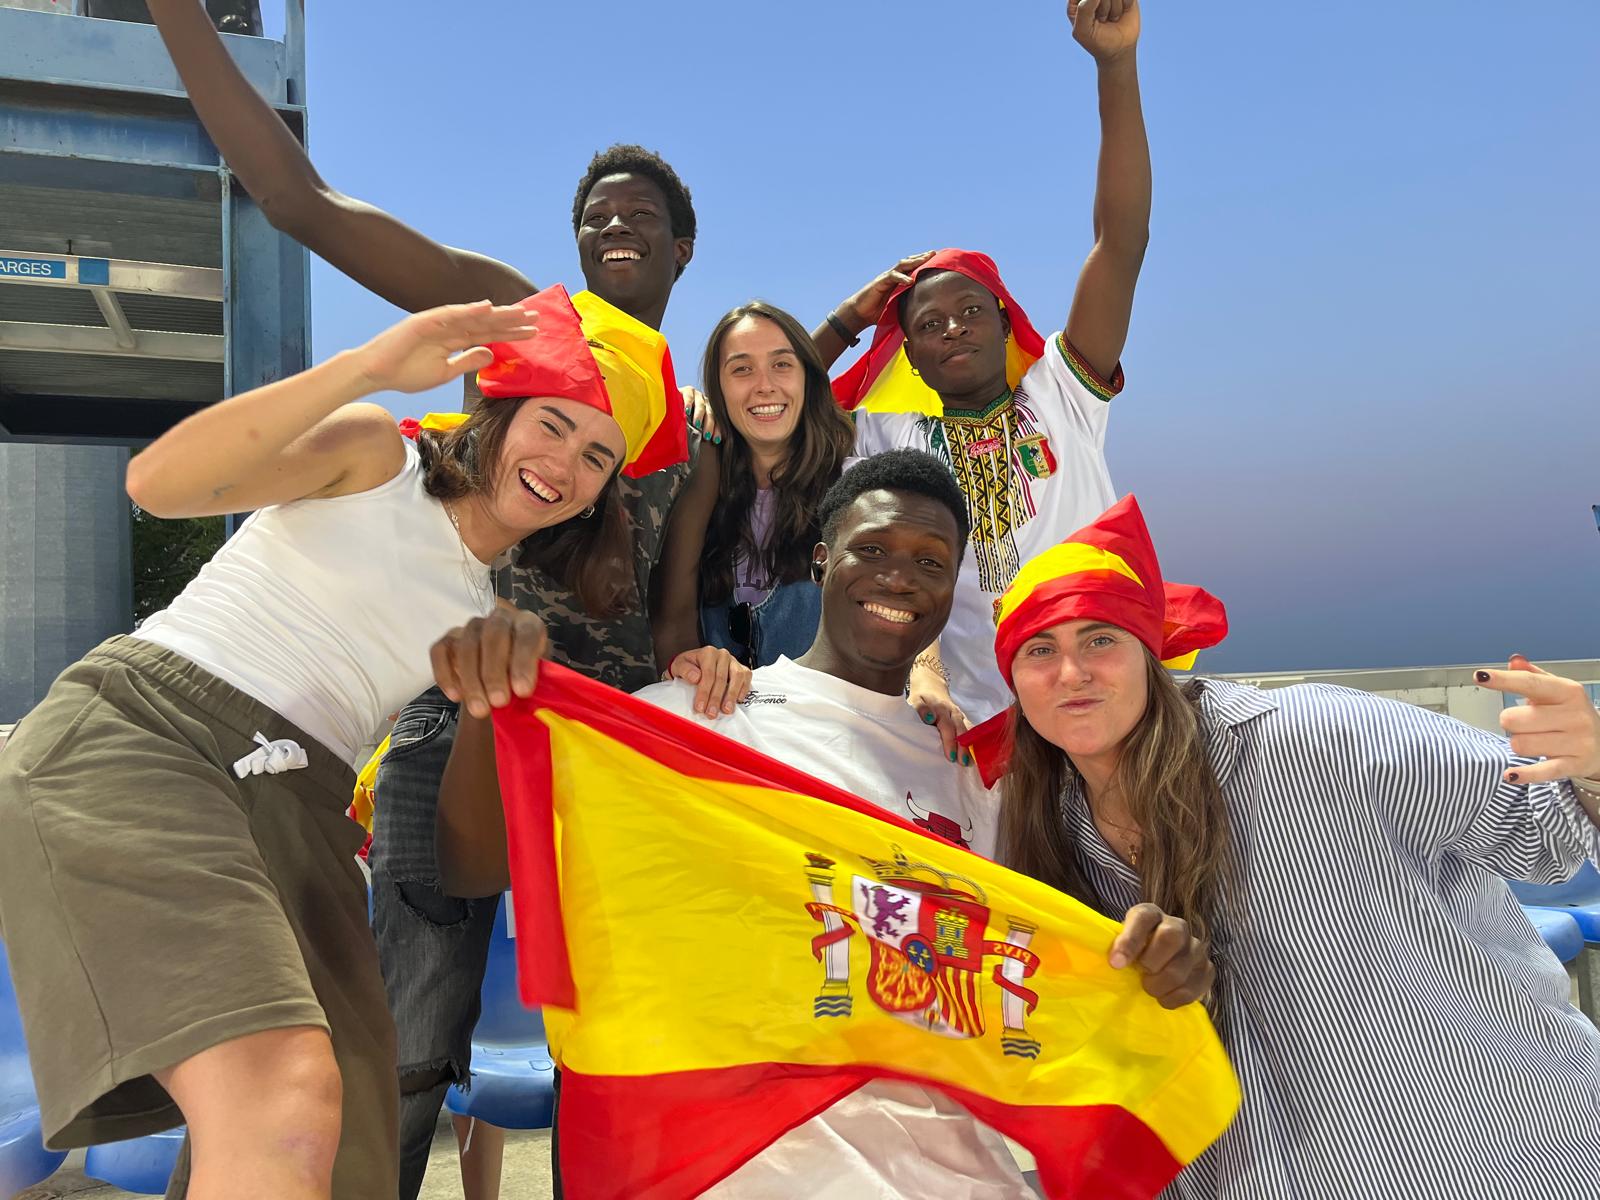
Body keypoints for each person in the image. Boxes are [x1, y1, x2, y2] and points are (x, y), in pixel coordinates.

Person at [142, 8, 746, 1191]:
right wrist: (178, 14)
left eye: (642, 216)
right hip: (448, 718)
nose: (614, 225)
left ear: (685, 246)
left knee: (620, 1058)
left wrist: (701, 666)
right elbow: (302, 204)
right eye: (596, 214)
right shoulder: (522, 330)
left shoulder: (702, 430)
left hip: (606, 755)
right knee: (404, 1043)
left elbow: (671, 621)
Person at [0, 285, 685, 1200]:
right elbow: (158, 486)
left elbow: (470, 868)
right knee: (282, 1099)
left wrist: (490, 703)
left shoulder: (487, 612)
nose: (566, 464)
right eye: (553, 425)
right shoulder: (377, 455)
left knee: (353, 1138)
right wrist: (365, 367)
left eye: (598, 456)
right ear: (498, 410)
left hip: (301, 809)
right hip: (150, 734)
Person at [429, 450, 1214, 1199]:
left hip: (962, 1175)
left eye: (931, 562)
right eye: (871, 549)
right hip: (748, 1171)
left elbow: (1053, 963)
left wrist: (1153, 966)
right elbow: (475, 869)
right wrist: (483, 708)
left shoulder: (975, 777)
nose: (899, 577)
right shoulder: (698, 720)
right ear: (819, 562)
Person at [983, 493, 1600, 1198]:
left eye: (1100, 640)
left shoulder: (1315, 735)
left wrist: (1591, 762)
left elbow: (1548, 833)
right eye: (1040, 650)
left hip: (1502, 1159)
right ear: (1015, 683)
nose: (1071, 673)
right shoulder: (1052, 838)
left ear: (1149, 653)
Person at [813, 0, 1150, 744]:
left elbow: (1121, 241)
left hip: (1105, 698)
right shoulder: (888, 437)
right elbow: (779, 404)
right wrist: (849, 318)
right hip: (972, 724)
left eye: (970, 311)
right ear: (910, 354)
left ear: (1005, 320)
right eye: (926, 326)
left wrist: (1114, 64)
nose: (952, 329)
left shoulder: (1063, 388)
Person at [652, 302, 856, 673]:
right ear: (718, 389)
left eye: (782, 365)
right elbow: (671, 620)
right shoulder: (692, 483)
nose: (764, 386)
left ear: (808, 377)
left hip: (825, 721)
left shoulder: (854, 485)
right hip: (716, 717)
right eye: (742, 369)